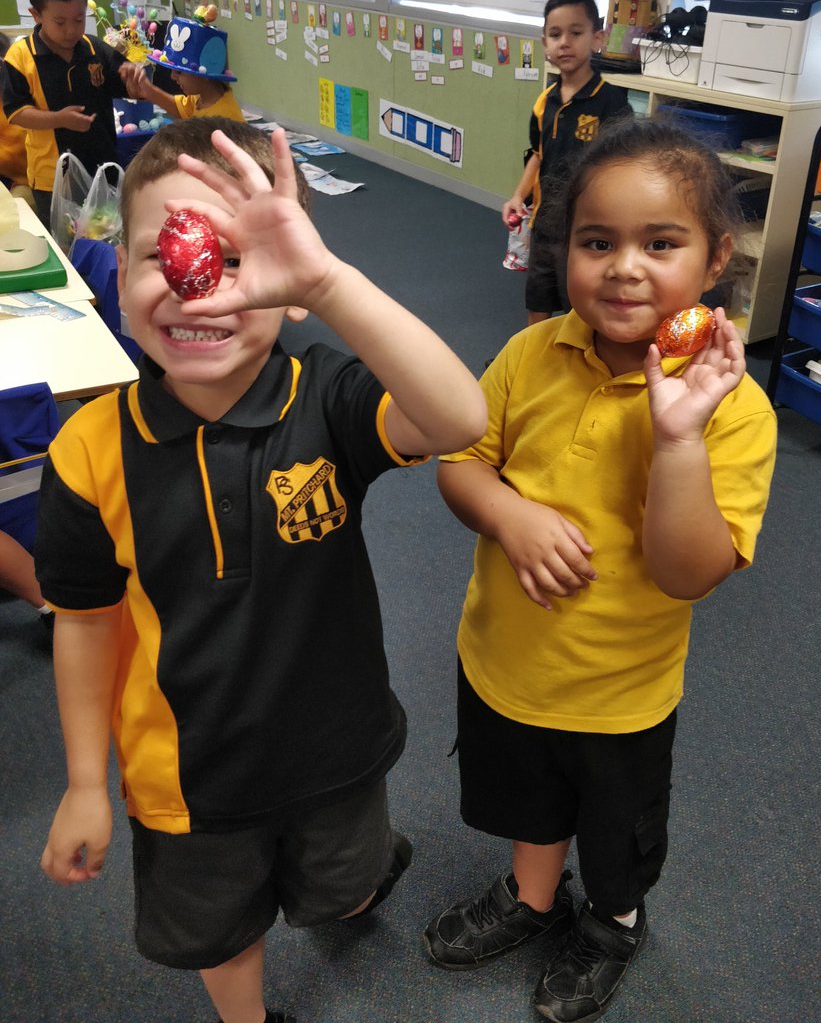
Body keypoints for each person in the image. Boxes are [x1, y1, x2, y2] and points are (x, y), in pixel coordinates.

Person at [35, 117, 487, 1023]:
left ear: (289, 293)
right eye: (159, 256)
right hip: (187, 777)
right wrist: (88, 781)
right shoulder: (88, 450)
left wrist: (327, 281)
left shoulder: (324, 397)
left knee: (343, 888)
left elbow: (457, 418)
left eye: (236, 261)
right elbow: (83, 623)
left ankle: (355, 892)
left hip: (338, 751)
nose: (196, 286)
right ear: (118, 282)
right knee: (220, 928)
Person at [425, 114, 777, 1022]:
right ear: (566, 249)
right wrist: (510, 513)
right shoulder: (528, 354)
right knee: (528, 805)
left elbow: (689, 571)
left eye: (660, 243)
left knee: (614, 838)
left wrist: (677, 437)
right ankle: (534, 898)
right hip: (504, 662)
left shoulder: (732, 411)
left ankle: (614, 921)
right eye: (597, 241)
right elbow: (461, 465)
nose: (624, 266)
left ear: (714, 259)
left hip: (620, 695)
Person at [502, 0, 631, 326]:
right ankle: (534, 360)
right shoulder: (545, 101)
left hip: (588, 228)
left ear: (597, 38)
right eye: (555, 35)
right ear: (544, 43)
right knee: (539, 298)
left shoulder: (612, 103)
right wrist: (518, 196)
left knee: (584, 304)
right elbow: (537, 155)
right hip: (545, 224)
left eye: (576, 33)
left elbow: (623, 167)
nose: (564, 43)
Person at [0, 0, 144, 227]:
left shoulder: (94, 49)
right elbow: (16, 112)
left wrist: (136, 75)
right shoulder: (20, 56)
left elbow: (129, 84)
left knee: (107, 239)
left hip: (103, 171)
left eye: (79, 20)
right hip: (51, 178)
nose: (71, 30)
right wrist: (59, 119)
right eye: (60, 22)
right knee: (67, 246)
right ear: (36, 15)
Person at [140, 10, 245, 122]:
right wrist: (148, 90)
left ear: (204, 75)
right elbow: (180, 108)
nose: (172, 77)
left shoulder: (223, 117)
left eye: (179, 72)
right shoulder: (201, 98)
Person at [0, 32, 32, 202]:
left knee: (18, 209)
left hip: (29, 181)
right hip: (12, 179)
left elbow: (18, 151)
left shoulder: (16, 95)